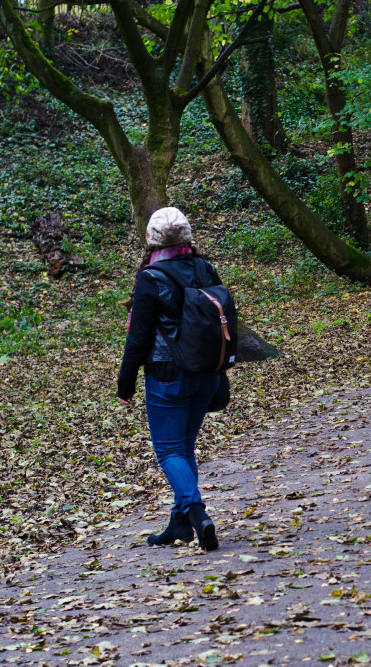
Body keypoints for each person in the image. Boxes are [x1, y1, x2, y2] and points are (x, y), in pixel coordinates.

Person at [116, 207, 220, 551]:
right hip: (205, 372)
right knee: (184, 448)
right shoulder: (206, 268)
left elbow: (139, 337)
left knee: (169, 451)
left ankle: (196, 512)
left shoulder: (151, 277)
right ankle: (179, 524)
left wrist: (125, 383)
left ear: (151, 239)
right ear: (187, 236)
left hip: (166, 374)